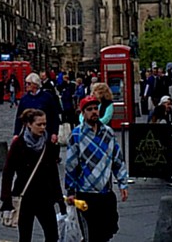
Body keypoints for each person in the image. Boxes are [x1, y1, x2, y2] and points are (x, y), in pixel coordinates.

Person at [65, 95, 129, 242]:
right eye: (89, 109)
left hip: (106, 192)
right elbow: (71, 165)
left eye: (95, 108)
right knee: (91, 234)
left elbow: (117, 159)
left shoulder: (108, 132)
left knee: (108, 230)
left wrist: (122, 182)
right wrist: (70, 191)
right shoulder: (76, 135)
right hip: (86, 193)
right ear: (83, 113)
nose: (94, 112)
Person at [1, 108, 64, 242]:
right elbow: (8, 172)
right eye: (39, 124)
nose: (43, 128)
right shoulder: (18, 144)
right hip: (25, 197)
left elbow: (53, 172)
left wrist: (59, 197)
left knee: (52, 235)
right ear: (29, 124)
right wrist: (6, 198)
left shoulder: (48, 145)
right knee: (25, 236)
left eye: (45, 124)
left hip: (45, 197)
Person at [14, 73, 61, 139]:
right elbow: (19, 117)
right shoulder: (24, 99)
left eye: (29, 83)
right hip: (28, 134)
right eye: (26, 83)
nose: (26, 85)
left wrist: (54, 132)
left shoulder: (47, 97)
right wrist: (16, 133)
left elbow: (54, 116)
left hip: (46, 132)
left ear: (35, 84)